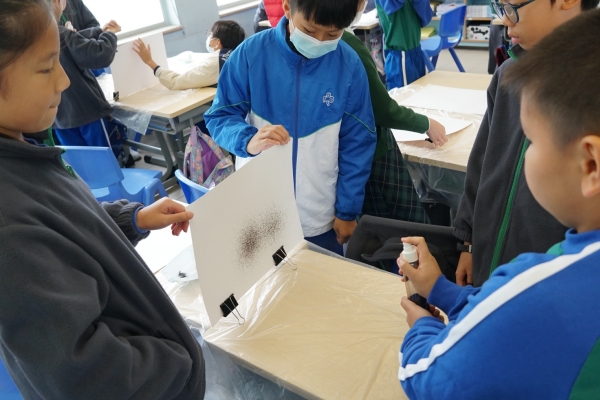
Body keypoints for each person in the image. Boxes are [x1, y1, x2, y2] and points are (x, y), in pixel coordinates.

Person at [0, 0, 205, 398]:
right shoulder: (9, 226)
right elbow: (84, 376)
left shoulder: (23, 153)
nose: (63, 80)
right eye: (46, 67)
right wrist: (179, 357)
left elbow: (66, 231)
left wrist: (133, 219)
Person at [397, 10, 600, 398]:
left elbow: (430, 377)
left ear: (590, 164)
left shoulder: (550, 287)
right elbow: (510, 311)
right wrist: (440, 289)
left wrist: (422, 326)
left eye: (533, 141)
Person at [204, 0, 377, 255]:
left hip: (320, 214)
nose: (319, 41)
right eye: (309, 30)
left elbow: (358, 143)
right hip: (260, 208)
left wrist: (347, 211)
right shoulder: (251, 54)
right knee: (266, 275)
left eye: (332, 34)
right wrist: (247, 139)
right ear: (287, 8)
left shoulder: (348, 65)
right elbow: (220, 115)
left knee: (320, 276)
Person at [453, 0, 599, 287]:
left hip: (549, 283)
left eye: (512, 7)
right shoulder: (508, 74)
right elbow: (482, 162)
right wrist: (468, 241)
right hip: (489, 266)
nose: (505, 20)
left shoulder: (589, 90)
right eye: (500, 7)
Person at [343, 0, 447, 224]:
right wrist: (424, 124)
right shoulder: (348, 45)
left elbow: (424, 16)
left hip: (411, 47)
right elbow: (384, 108)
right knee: (399, 219)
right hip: (400, 51)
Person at [50, 0, 130, 165]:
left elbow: (74, 39)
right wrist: (110, 34)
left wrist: (98, 30)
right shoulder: (62, 34)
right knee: (105, 161)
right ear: (56, 2)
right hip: (86, 110)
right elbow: (100, 55)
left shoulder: (38, 36)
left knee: (80, 165)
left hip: (58, 115)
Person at [133, 20, 246, 91]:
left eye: (210, 35)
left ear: (217, 43)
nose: (208, 38)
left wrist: (150, 62)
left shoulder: (214, 62)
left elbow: (175, 82)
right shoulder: (238, 54)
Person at [375, 0, 433, 89]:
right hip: (400, 56)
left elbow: (425, 17)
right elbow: (391, 5)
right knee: (404, 95)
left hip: (416, 50)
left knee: (420, 92)